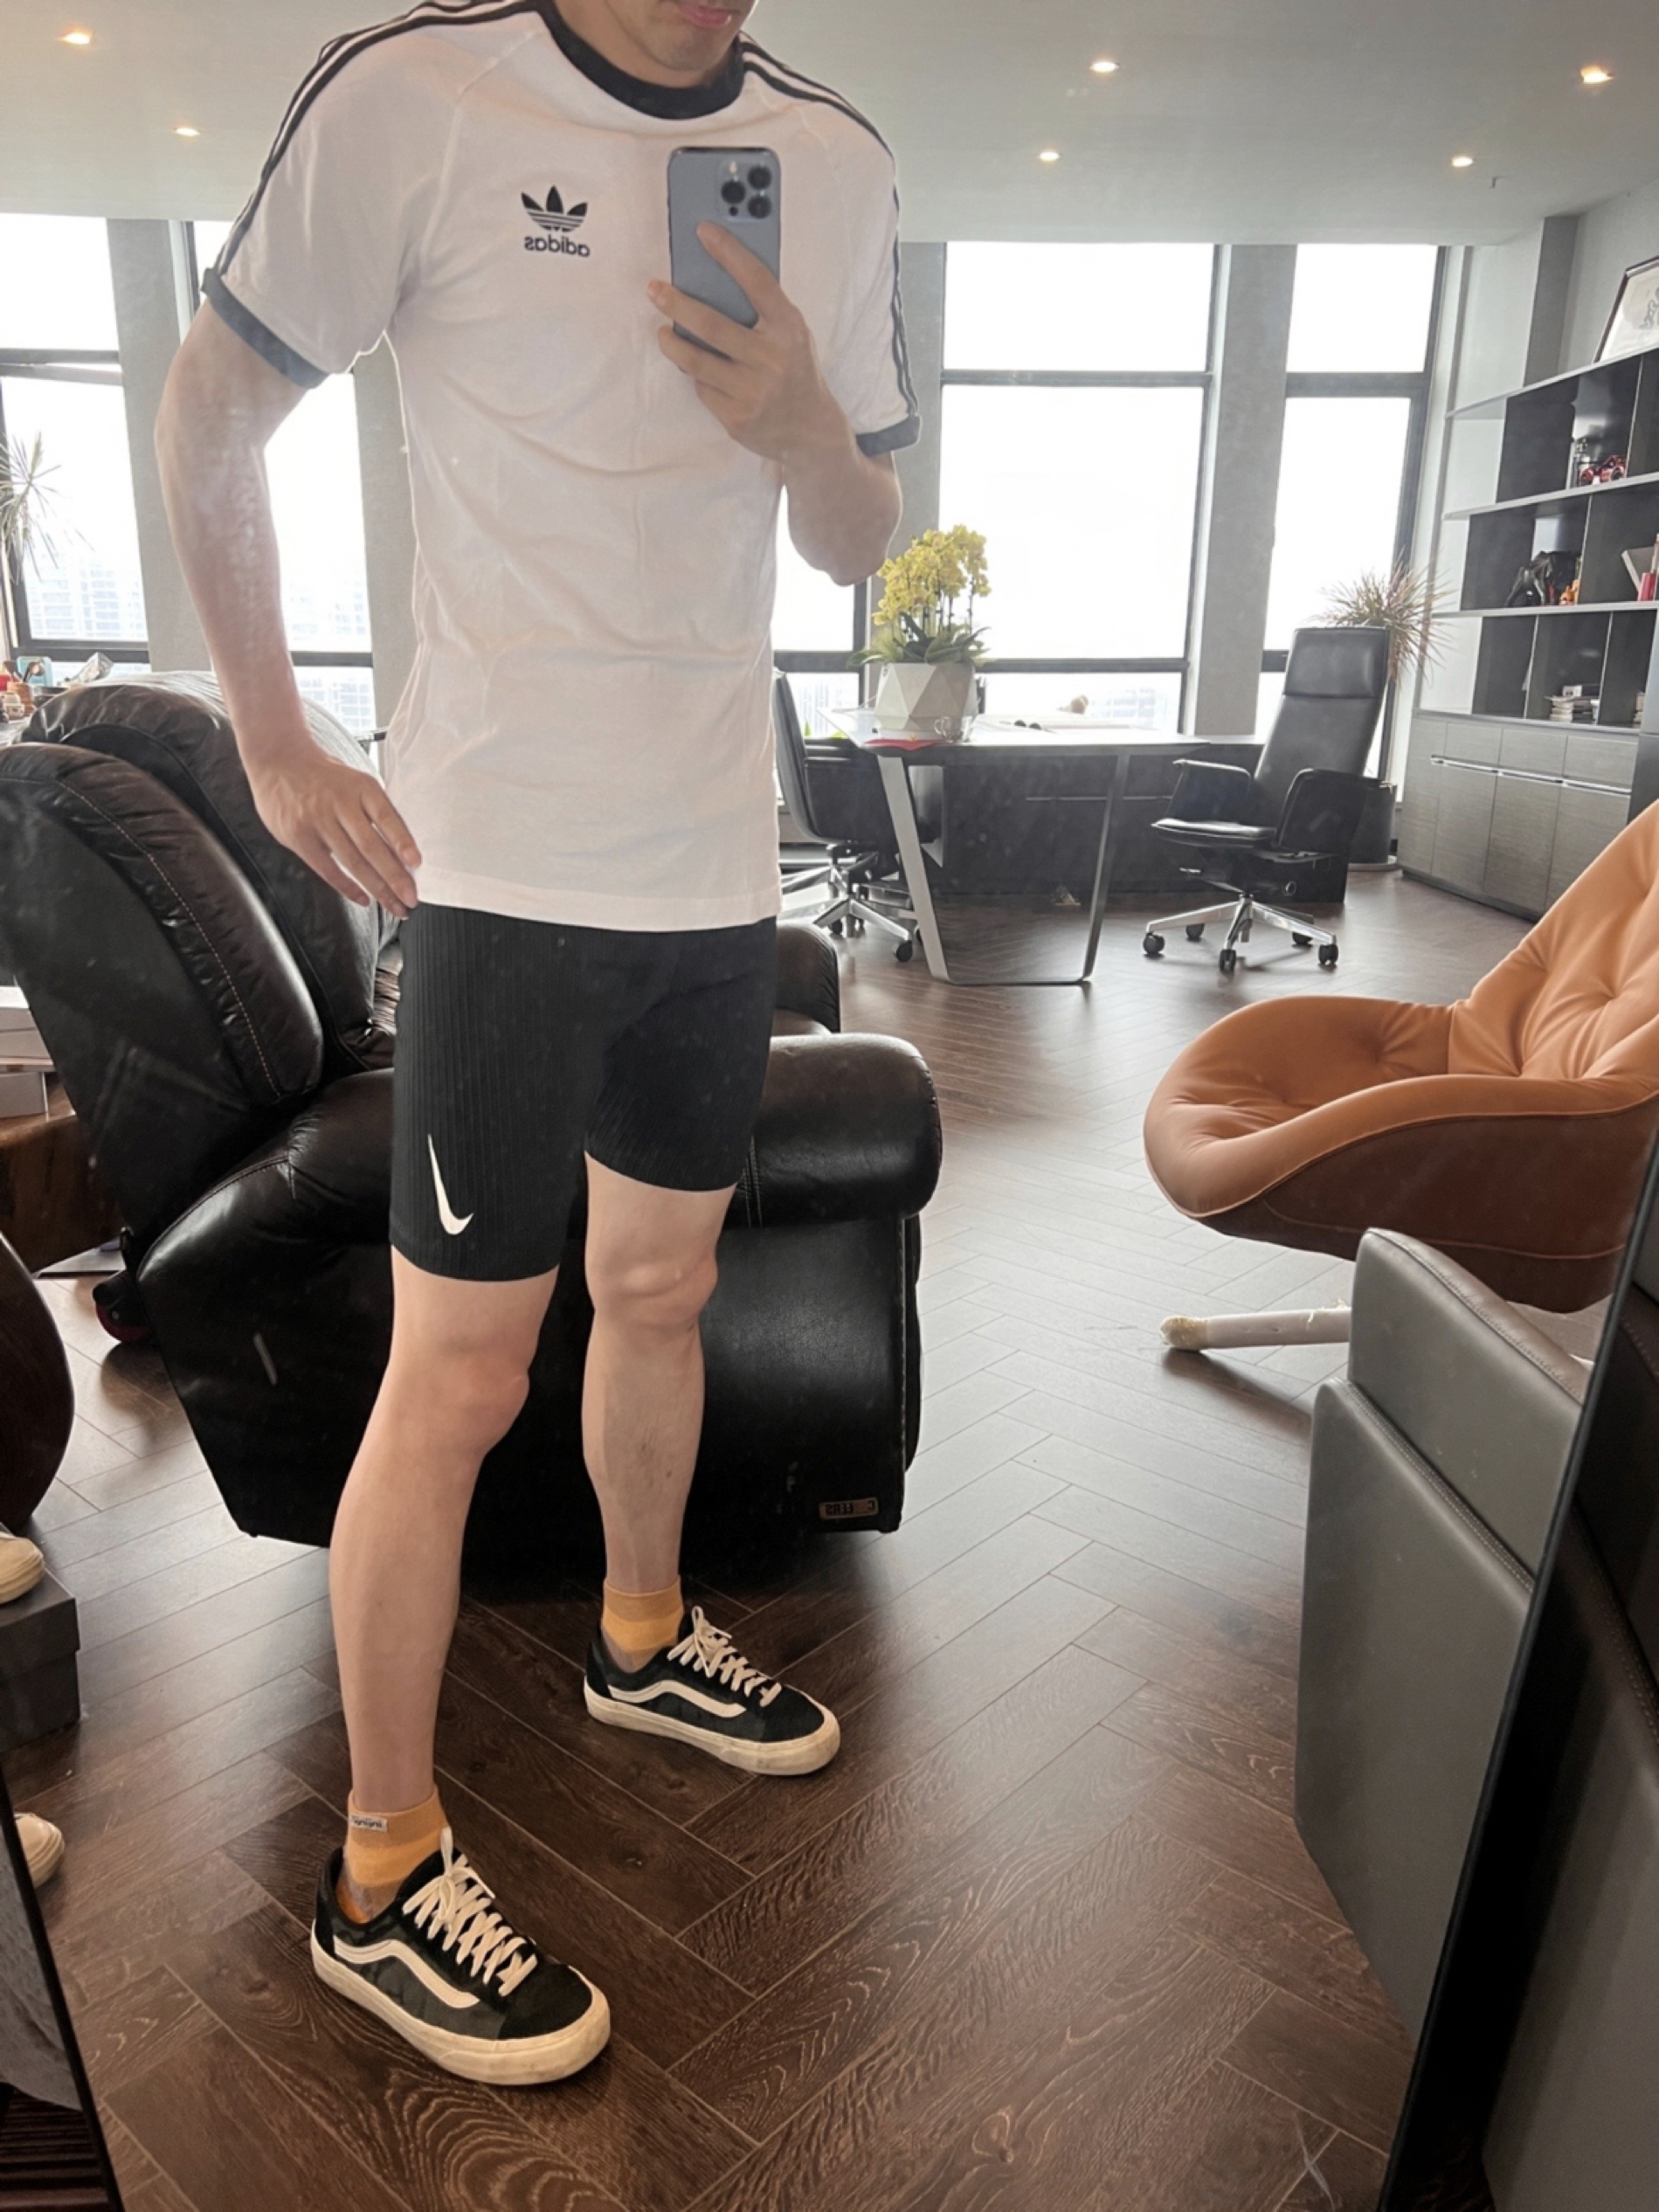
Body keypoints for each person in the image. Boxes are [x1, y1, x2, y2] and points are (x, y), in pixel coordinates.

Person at [156, 0, 915, 2087]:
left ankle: (641, 1636)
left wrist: (803, 426)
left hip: (713, 871)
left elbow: (858, 538)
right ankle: (378, 1873)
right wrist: (272, 736)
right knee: (465, 1371)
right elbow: (213, 405)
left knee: (660, 1286)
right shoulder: (418, 90)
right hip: (495, 871)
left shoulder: (836, 156)